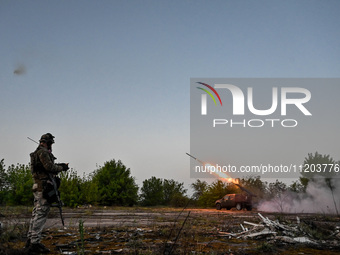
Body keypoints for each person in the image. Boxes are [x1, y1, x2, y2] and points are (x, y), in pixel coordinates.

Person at [26, 133, 69, 254]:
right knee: (41, 214)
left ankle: (31, 240)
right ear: (47, 143)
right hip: (43, 187)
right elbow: (49, 167)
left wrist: (58, 166)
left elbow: (45, 167)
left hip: (38, 186)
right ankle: (34, 243)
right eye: (50, 143)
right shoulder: (43, 152)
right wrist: (62, 168)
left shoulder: (36, 153)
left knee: (36, 214)